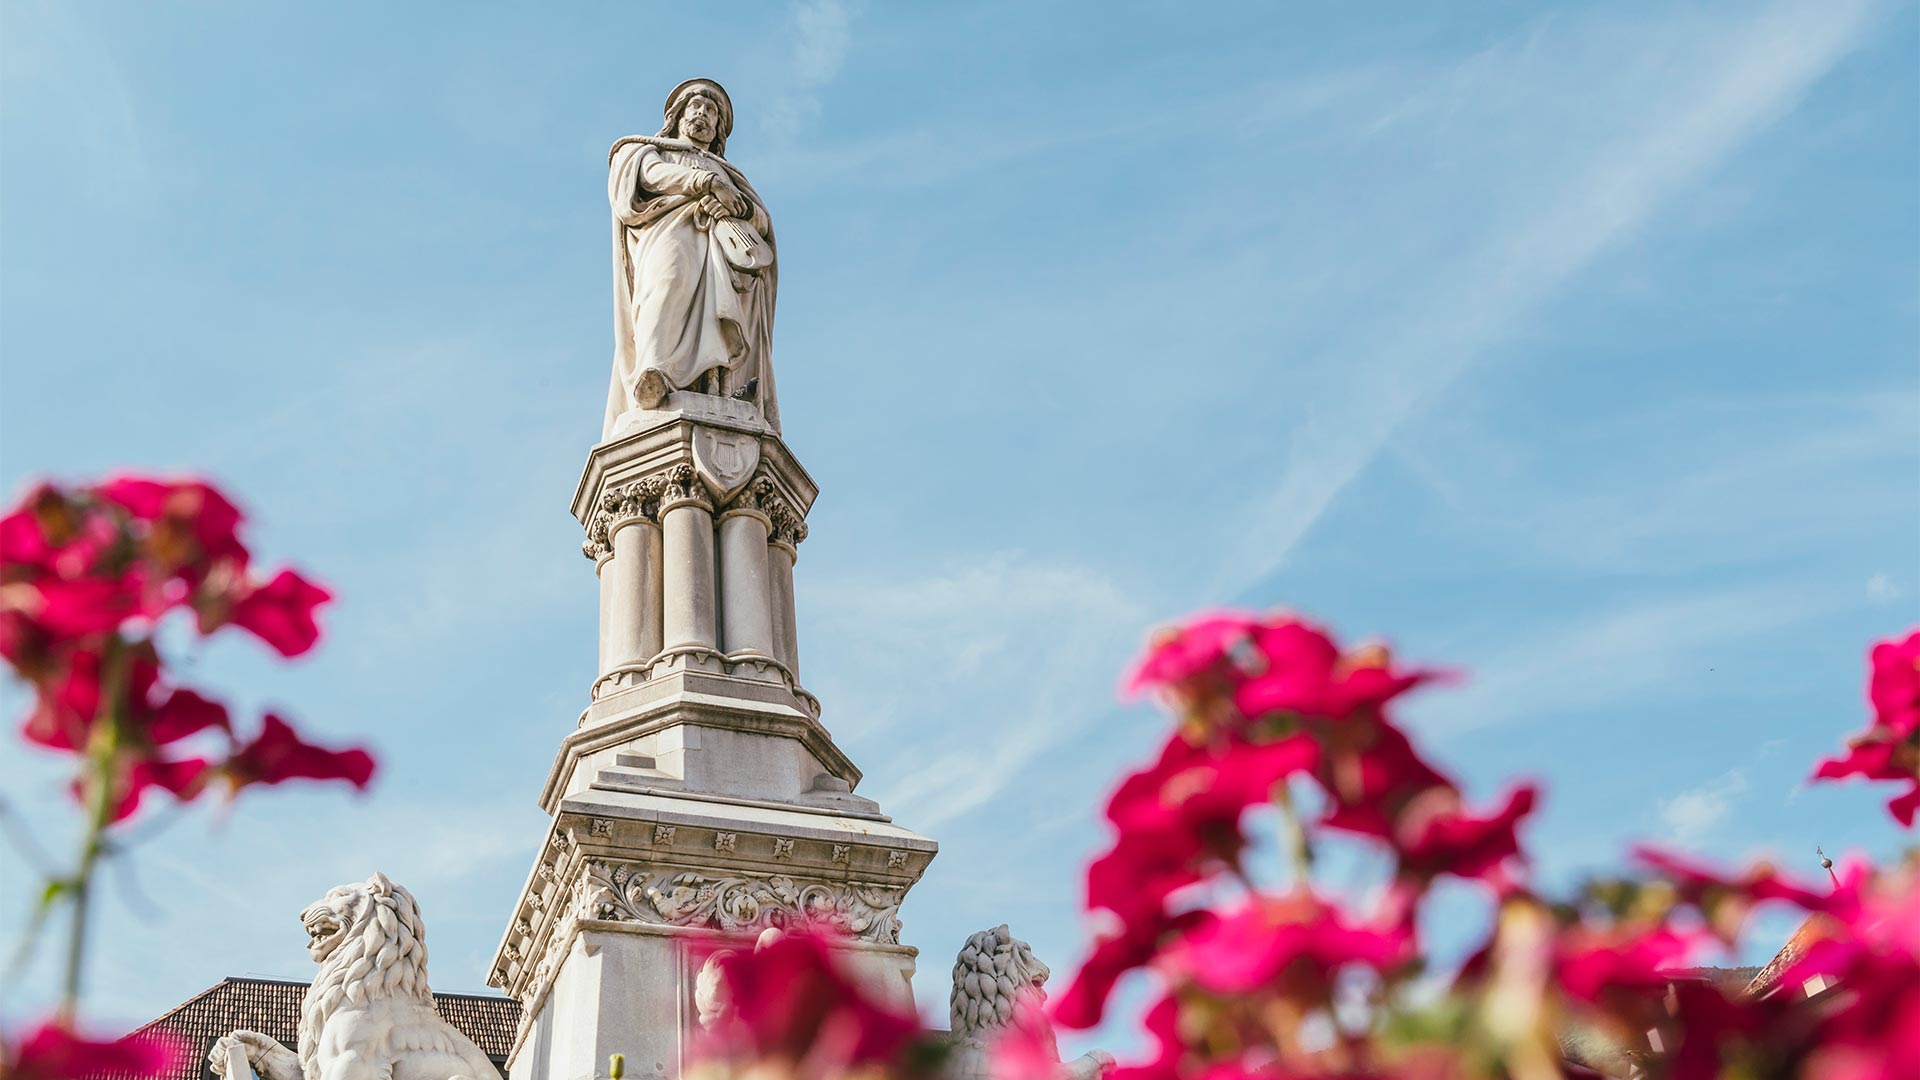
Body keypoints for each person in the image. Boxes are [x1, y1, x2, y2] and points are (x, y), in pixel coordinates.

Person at [604, 78, 780, 439]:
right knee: (665, 288)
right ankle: (654, 372)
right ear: (678, 116)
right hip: (670, 234)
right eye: (695, 107)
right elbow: (650, 177)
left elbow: (761, 222)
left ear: (717, 129)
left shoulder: (731, 175)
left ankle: (720, 385)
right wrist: (702, 183)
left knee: (722, 309)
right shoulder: (651, 150)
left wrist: (740, 205)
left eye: (711, 111)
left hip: (720, 249)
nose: (702, 114)